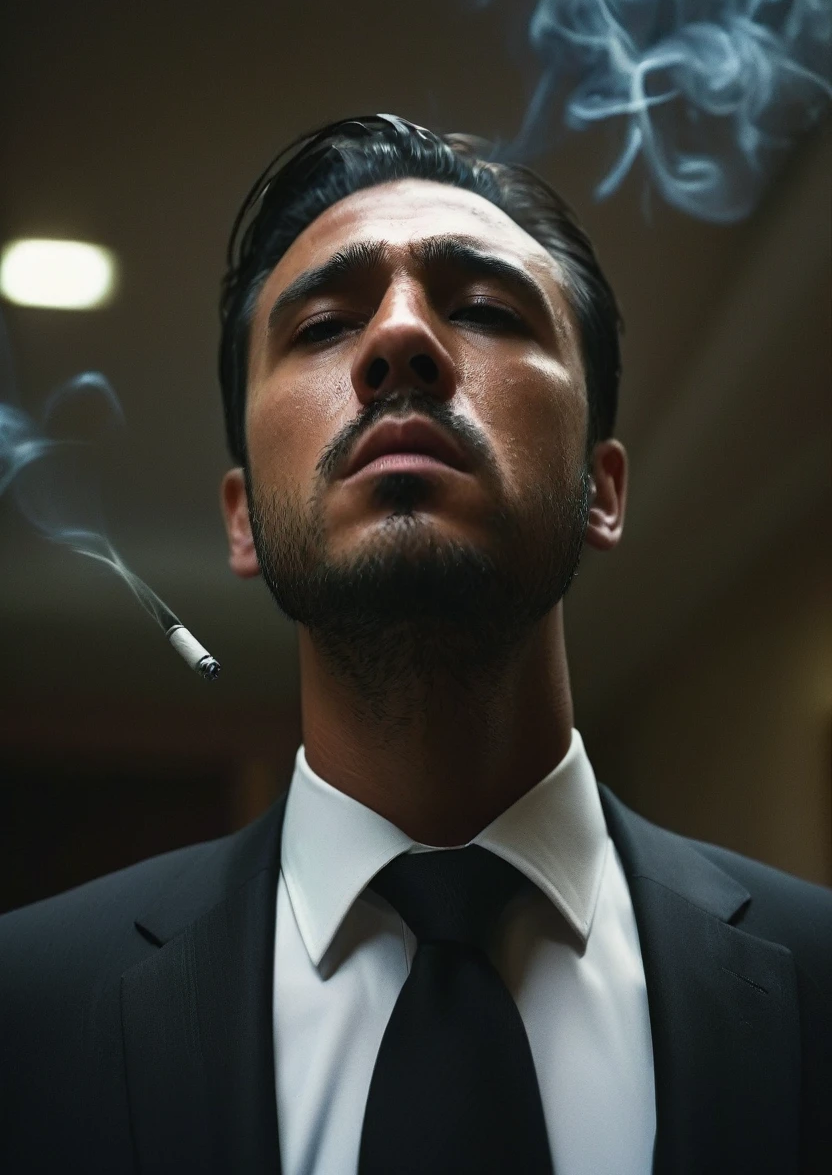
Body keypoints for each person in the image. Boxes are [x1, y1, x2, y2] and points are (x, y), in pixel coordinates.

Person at [0, 114, 829, 1175]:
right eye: (320, 326)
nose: (400, 340)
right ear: (243, 516)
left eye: (482, 307)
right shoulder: (25, 1012)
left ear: (601, 491)